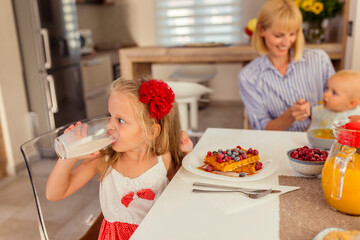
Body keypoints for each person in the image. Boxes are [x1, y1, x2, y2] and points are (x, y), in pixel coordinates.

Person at [46, 78, 193, 240]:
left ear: (151, 132)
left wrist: (185, 154)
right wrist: (68, 158)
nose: (109, 125)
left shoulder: (163, 159)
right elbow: (54, 194)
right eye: (110, 116)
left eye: (120, 120)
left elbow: (181, 192)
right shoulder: (105, 159)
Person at [238, 0, 335, 131]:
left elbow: (340, 104)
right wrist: (290, 116)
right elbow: (262, 130)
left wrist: (316, 111)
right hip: (278, 143)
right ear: (261, 30)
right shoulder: (249, 76)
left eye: (292, 34)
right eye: (278, 35)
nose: (286, 42)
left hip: (320, 142)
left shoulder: (319, 59)